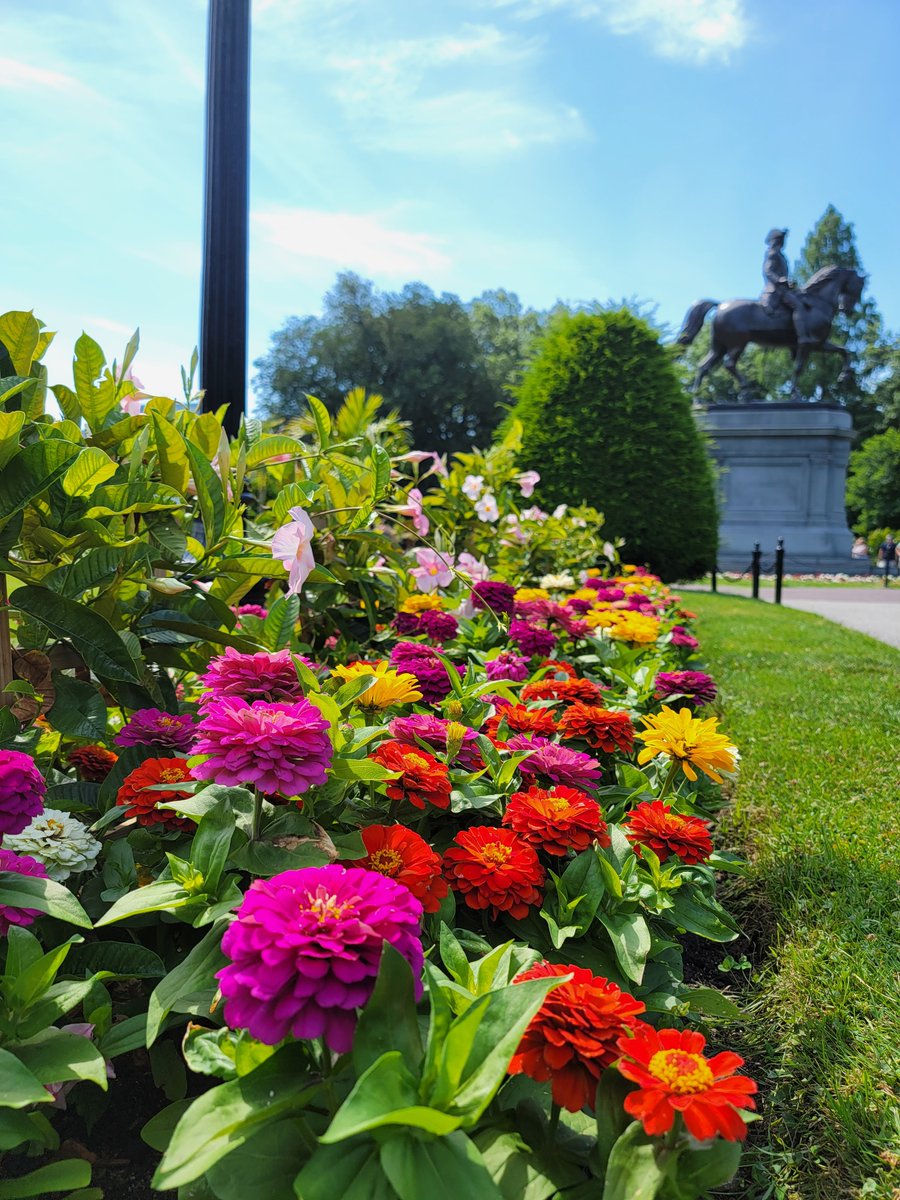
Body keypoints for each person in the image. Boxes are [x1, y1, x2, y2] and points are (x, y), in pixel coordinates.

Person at [761, 228, 814, 345]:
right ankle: (802, 337)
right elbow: (768, 271)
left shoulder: (780, 256)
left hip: (784, 290)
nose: (782, 243)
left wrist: (788, 283)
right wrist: (780, 280)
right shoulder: (772, 253)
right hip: (776, 290)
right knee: (798, 306)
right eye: (781, 240)